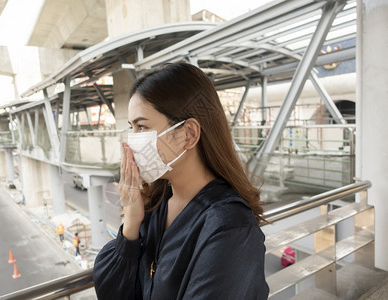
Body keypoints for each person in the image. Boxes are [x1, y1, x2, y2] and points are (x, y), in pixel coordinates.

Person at [93, 63, 269, 299]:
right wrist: (131, 224)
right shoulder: (156, 203)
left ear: (188, 134)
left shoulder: (230, 226)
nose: (131, 144)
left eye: (142, 127)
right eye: (131, 129)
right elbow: (112, 291)